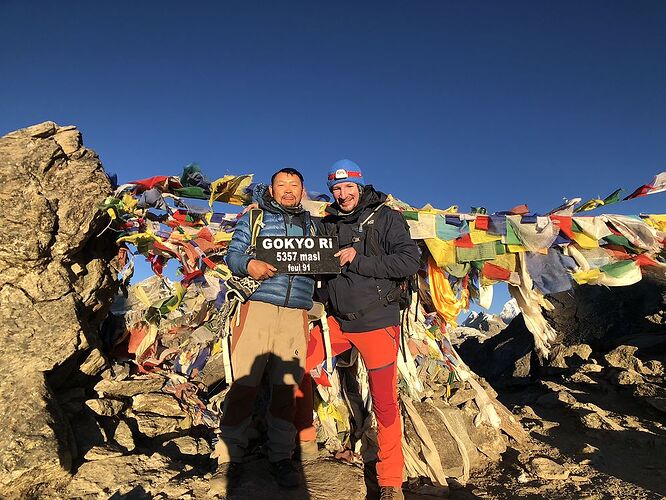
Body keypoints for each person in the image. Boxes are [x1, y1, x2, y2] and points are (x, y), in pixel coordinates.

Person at [297, 159, 420, 500]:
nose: (342, 193)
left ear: (360, 185)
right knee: (294, 368)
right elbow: (307, 258)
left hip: (377, 321)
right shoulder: (328, 223)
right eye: (336, 188)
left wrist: (358, 258)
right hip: (334, 321)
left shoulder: (386, 217)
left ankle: (390, 481)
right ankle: (305, 444)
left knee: (383, 403)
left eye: (348, 186)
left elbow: (410, 261)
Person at [210, 167, 314, 493]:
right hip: (257, 306)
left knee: (286, 389)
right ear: (271, 190)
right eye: (281, 184)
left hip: (296, 313)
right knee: (244, 384)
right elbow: (233, 255)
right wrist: (249, 264)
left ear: (302, 190)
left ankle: (281, 456)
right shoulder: (254, 220)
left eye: (293, 185)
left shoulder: (313, 226)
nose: (287, 189)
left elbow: (326, 262)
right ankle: (228, 459)